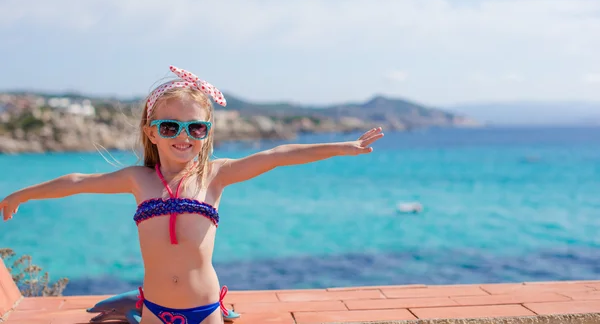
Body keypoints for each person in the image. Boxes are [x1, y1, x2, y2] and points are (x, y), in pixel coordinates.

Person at [1, 65, 385, 324]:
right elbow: (77, 181)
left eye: (195, 128)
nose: (183, 136)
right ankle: (131, 303)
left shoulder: (216, 176)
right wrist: (20, 195)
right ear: (151, 132)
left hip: (205, 311)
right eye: (170, 126)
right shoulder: (139, 179)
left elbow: (277, 156)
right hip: (155, 310)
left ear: (206, 134)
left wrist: (342, 146)